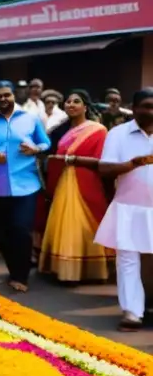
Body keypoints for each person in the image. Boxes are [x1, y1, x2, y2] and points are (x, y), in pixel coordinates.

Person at [0, 80, 51, 293]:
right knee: (1, 233)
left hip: (27, 185)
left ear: (14, 95)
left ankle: (20, 275)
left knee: (21, 230)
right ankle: (13, 267)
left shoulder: (30, 119)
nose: (3, 99)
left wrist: (35, 148)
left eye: (7, 95)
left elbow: (46, 143)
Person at [36, 90, 111, 283]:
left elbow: (101, 160)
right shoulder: (63, 130)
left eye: (76, 102)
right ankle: (65, 268)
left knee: (84, 221)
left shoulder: (98, 130)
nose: (71, 105)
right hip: (64, 181)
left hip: (86, 180)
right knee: (65, 222)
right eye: (68, 102)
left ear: (86, 107)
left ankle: (89, 268)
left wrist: (70, 159)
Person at [95, 87, 153, 331]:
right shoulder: (118, 134)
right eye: (147, 106)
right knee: (127, 260)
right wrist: (132, 164)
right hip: (129, 207)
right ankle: (132, 312)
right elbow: (104, 169)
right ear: (134, 107)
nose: (151, 111)